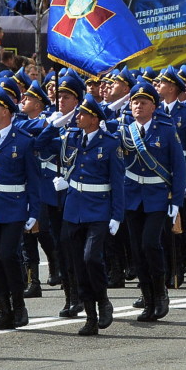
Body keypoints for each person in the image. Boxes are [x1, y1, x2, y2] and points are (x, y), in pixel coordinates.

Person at [52, 94, 125, 336]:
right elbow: (42, 143)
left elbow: (118, 182)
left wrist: (117, 215)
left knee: (91, 257)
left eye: (82, 114)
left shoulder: (111, 143)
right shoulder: (72, 138)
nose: (77, 117)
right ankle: (91, 315)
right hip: (74, 208)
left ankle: (103, 300)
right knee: (77, 265)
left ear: (94, 119)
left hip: (99, 208)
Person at [0, 85, 42, 330]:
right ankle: (3, 308)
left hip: (13, 206)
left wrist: (34, 213)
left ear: (7, 111)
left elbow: (34, 180)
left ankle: (19, 306)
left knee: (7, 255)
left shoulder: (24, 142)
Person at [118, 79, 186, 322]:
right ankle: (147, 298)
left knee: (150, 244)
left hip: (158, 197)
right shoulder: (124, 130)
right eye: (135, 101)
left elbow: (178, 166)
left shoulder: (166, 129)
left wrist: (176, 200)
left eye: (143, 102)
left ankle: (161, 292)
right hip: (132, 197)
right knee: (136, 250)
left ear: (154, 106)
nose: (138, 106)